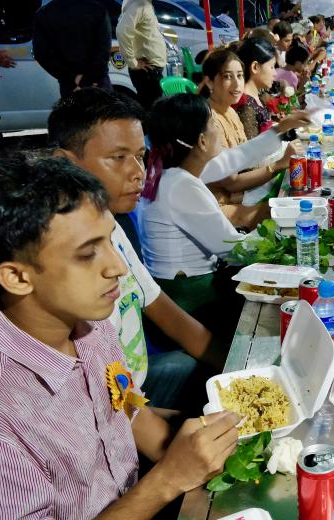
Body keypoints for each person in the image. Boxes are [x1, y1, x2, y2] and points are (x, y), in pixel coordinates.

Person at [0, 153, 240, 518]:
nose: (118, 266)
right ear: (17, 277)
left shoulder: (86, 321)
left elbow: (124, 405)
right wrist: (169, 479)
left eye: (110, 240)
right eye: (87, 254)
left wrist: (193, 448)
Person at [48, 88, 229, 411]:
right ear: (67, 163)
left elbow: (163, 310)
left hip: (132, 388)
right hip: (114, 407)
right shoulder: (58, 262)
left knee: (196, 367)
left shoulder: (112, 227)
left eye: (140, 156)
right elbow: (102, 409)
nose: (138, 172)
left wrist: (238, 368)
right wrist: (174, 431)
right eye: (118, 158)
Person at [137, 94, 310, 322]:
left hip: (182, 286)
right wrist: (283, 223)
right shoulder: (180, 185)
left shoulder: (172, 169)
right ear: (201, 141)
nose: (217, 130)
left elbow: (236, 157)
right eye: (213, 124)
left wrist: (280, 129)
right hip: (190, 298)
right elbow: (235, 250)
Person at [201, 48, 300, 229]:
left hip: (237, 195)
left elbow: (247, 157)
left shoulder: (230, 111)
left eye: (239, 75)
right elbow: (231, 184)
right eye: (227, 77)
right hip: (219, 205)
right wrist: (278, 165)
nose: (237, 84)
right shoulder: (210, 121)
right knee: (289, 213)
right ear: (209, 82)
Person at [33, 0, 112, 98]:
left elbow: (41, 54)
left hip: (70, 86)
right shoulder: (97, 9)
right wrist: (87, 80)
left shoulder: (44, 14)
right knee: (104, 111)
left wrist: (71, 78)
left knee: (73, 112)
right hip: (98, 83)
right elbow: (103, 50)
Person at [116, 0, 167, 110]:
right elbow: (122, 31)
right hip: (148, 71)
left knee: (150, 110)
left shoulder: (145, 4)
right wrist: (133, 62)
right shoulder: (140, 4)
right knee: (150, 112)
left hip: (151, 69)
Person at [234, 37, 279, 139]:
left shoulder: (255, 97)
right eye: (272, 67)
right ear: (255, 67)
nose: (275, 73)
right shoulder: (245, 104)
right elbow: (252, 148)